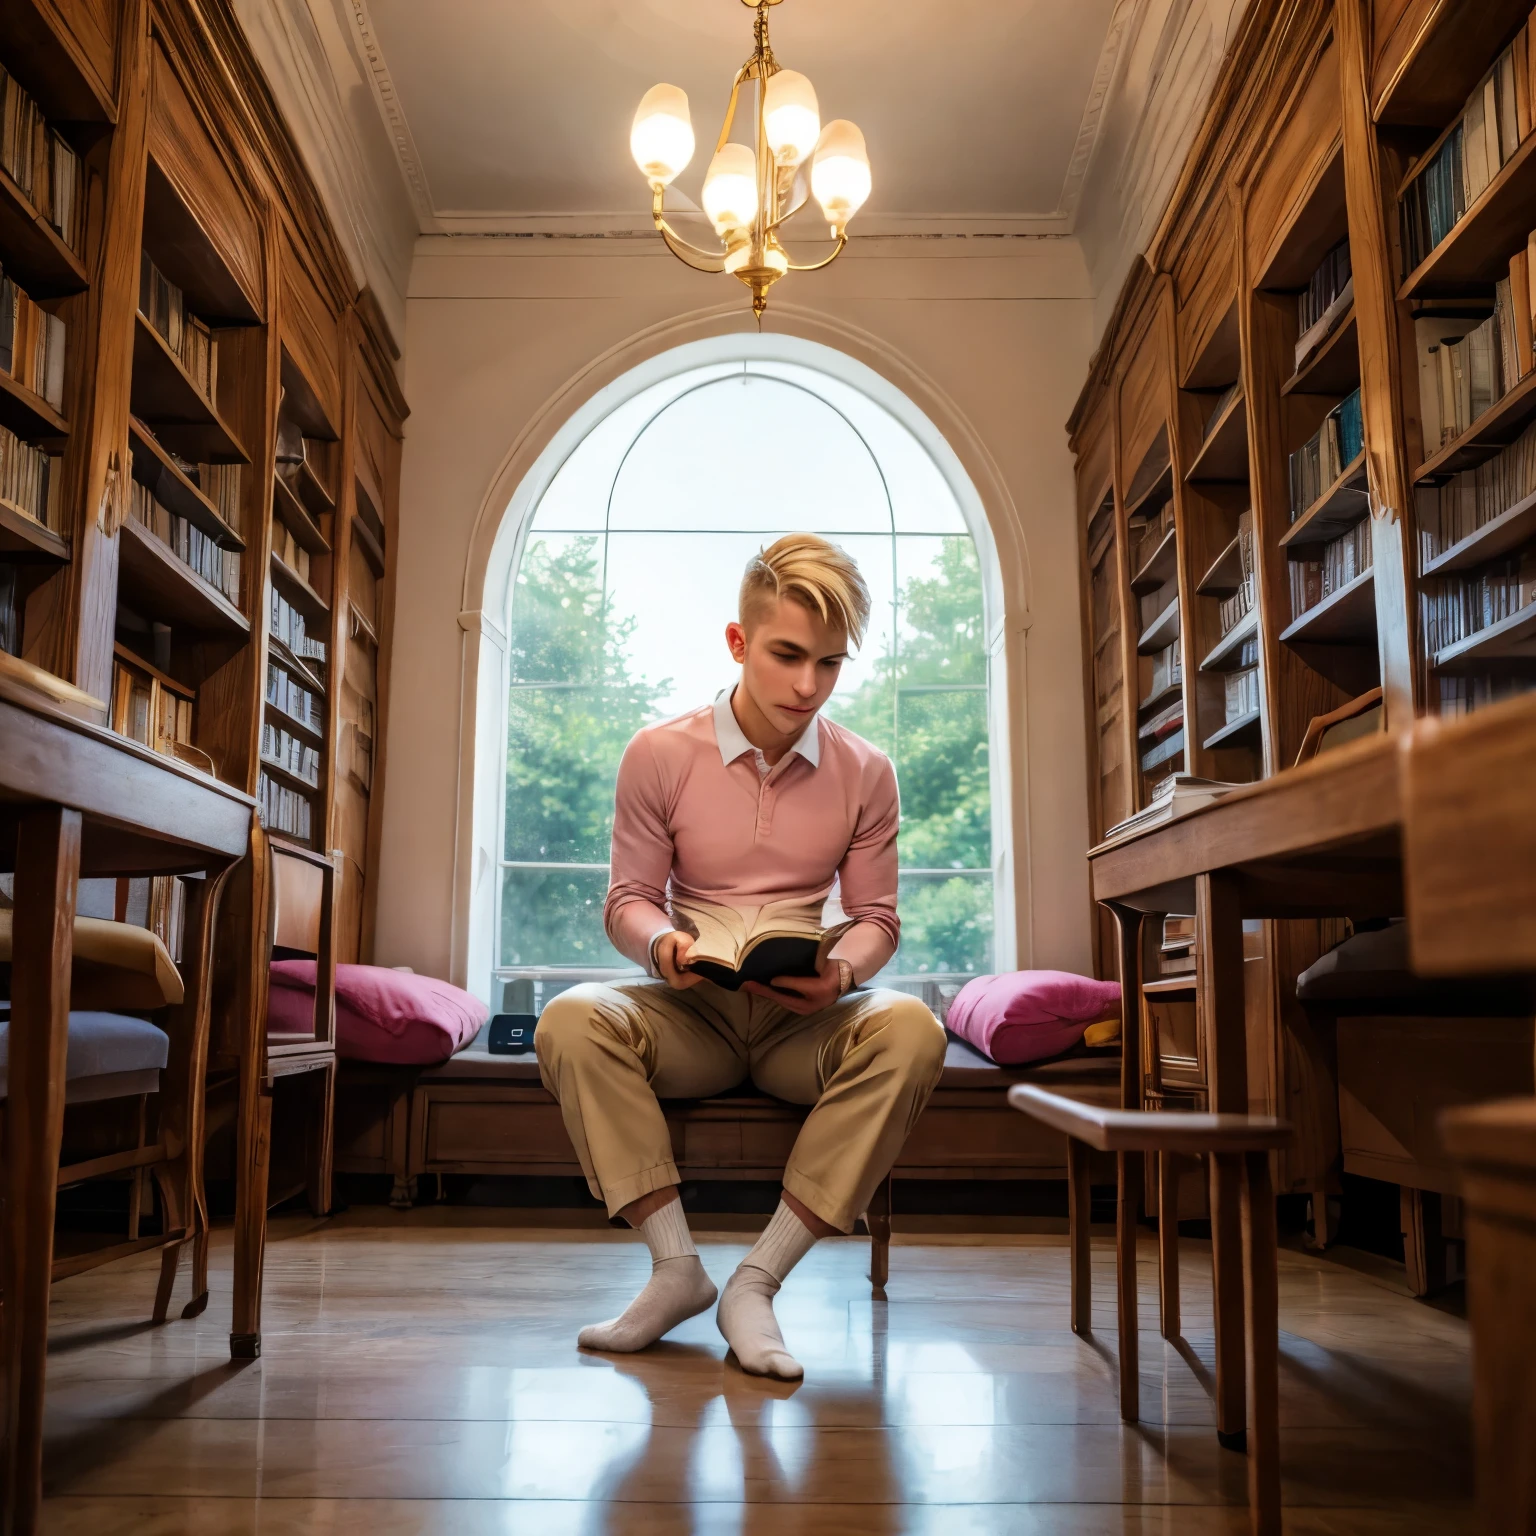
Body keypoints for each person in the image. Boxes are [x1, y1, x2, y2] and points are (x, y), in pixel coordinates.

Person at [535, 533, 947, 1380]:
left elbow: (876, 918)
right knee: (570, 1018)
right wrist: (663, 944)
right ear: (738, 642)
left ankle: (756, 1283)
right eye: (788, 655)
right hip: (691, 1010)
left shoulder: (868, 771)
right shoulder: (659, 753)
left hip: (808, 1019)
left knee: (912, 1027)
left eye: (831, 663)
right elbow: (627, 902)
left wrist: (843, 972)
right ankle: (676, 1269)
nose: (808, 685)